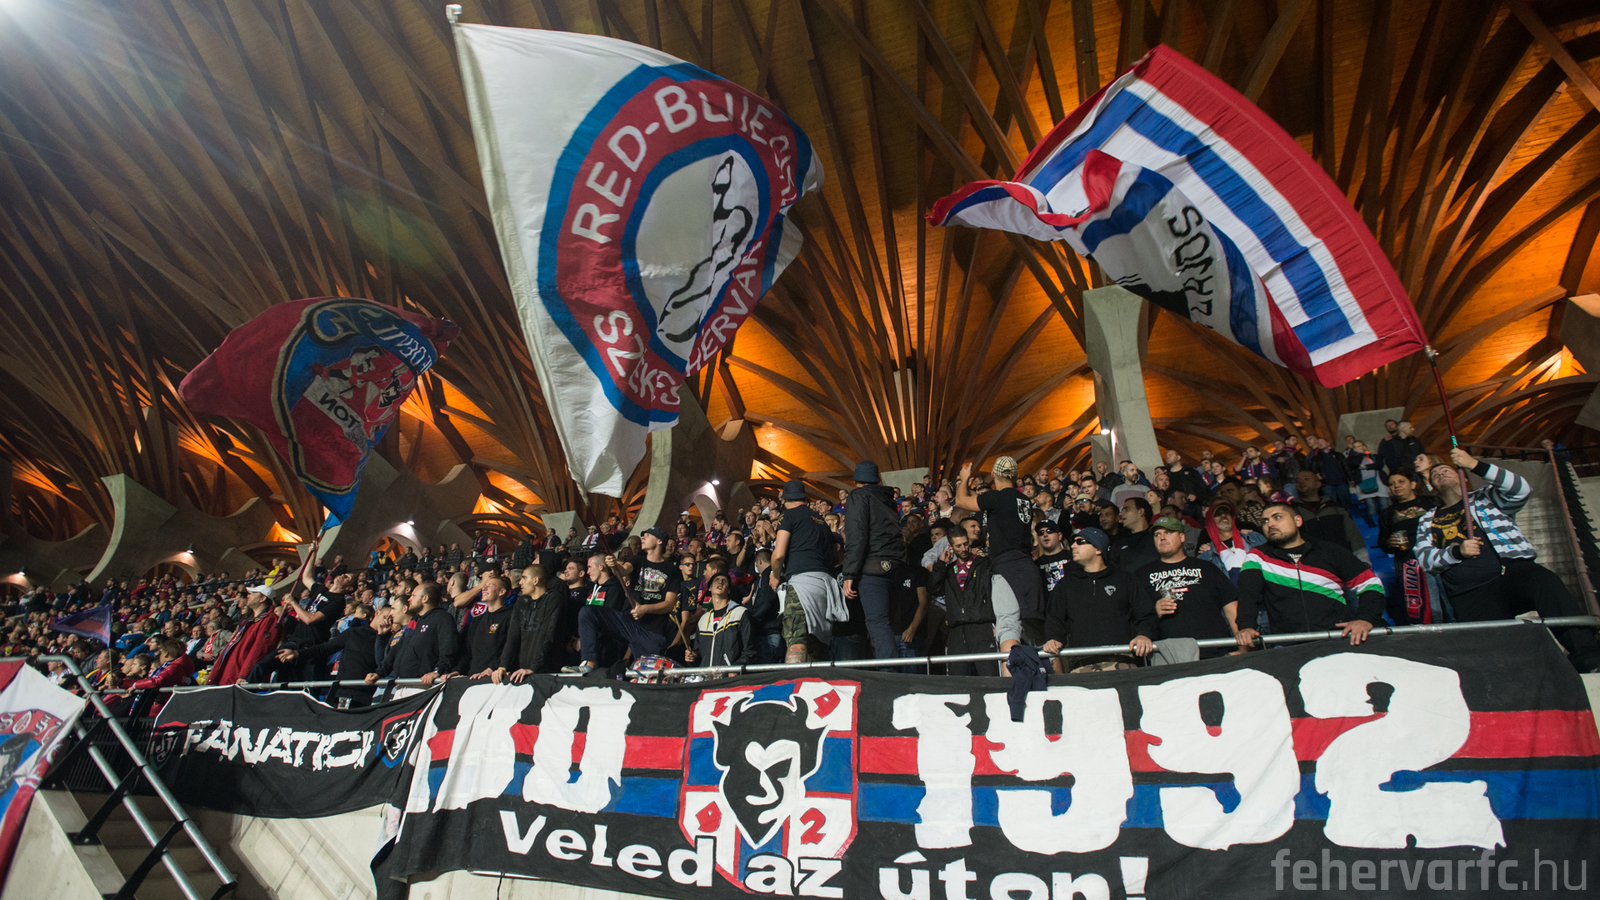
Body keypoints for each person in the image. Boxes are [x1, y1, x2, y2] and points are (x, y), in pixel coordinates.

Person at [1414, 447, 1600, 672]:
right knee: (1494, 657)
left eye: (1447, 470)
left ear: (1462, 475)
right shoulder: (1428, 519)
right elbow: (1425, 559)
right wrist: (1456, 552)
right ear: (1431, 487)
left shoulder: (1486, 497)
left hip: (1510, 572)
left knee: (1545, 582)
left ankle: (1587, 655)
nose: (1441, 473)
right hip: (1469, 592)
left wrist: (1475, 465)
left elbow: (1521, 489)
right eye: (1435, 474)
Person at [1233, 503, 1385, 649]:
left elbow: (1371, 583)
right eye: (1265, 521)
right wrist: (1246, 626)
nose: (1270, 524)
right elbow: (1248, 595)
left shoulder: (1330, 551)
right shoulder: (1257, 557)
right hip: (1287, 645)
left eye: (1277, 517)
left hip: (1336, 640)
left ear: (1297, 521)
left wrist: (1365, 618)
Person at [1041, 527, 1156, 672]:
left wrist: (1144, 634)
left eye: (1080, 542)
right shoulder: (1066, 584)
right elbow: (1054, 619)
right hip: (1082, 663)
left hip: (1122, 659)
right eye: (1073, 542)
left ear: (1098, 549)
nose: (1073, 546)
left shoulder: (1125, 580)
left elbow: (1146, 614)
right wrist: (1053, 638)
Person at [1135, 516, 1238, 657]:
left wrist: (1242, 646)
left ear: (1182, 537)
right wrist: (1154, 611)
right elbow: (1134, 616)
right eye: (1157, 534)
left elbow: (1231, 606)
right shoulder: (1142, 574)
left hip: (1214, 652)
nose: (1162, 538)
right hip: (1169, 656)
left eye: (1168, 532)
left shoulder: (1206, 568)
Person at [563, 551, 674, 676]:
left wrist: (645, 609)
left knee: (646, 676)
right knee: (586, 611)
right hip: (598, 646)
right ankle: (588, 664)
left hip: (614, 648)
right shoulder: (592, 589)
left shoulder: (616, 588)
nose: (587, 572)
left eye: (589, 567)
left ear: (601, 567)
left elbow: (669, 604)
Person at [842, 461, 908, 661]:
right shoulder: (887, 498)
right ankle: (891, 666)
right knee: (887, 623)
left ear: (856, 480)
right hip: (896, 566)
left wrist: (849, 574)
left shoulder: (858, 496)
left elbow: (857, 535)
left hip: (873, 567)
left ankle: (889, 672)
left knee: (877, 622)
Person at [927, 531, 997, 676]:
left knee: (989, 676)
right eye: (958, 546)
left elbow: (992, 592)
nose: (964, 549)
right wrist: (941, 564)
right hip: (956, 629)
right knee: (957, 678)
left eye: (965, 544)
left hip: (981, 626)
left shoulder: (982, 564)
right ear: (950, 546)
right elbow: (934, 589)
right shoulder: (947, 569)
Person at [1379, 468, 1440, 625]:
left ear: (1413, 484)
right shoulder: (1388, 513)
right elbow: (1382, 542)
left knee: (1446, 603)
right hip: (1411, 565)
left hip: (1438, 557)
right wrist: (1389, 543)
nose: (1396, 486)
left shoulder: (1430, 502)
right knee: (1431, 609)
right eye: (1392, 484)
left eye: (1401, 482)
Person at [365, 582, 459, 684]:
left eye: (413, 596)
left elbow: (448, 649)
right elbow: (397, 649)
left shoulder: (442, 618)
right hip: (403, 682)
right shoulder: (414, 620)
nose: (409, 599)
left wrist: (438, 671)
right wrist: (379, 673)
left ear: (425, 598)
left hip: (423, 683)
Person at [487, 566, 566, 682]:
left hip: (546, 672)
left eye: (524, 578)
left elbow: (547, 634)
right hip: (522, 670)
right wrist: (503, 666)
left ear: (535, 580)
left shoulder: (553, 598)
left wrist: (534, 668)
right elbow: (513, 636)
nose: (520, 582)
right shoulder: (521, 602)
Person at [209, 585, 294, 685]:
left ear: (262, 598)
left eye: (253, 594)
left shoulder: (269, 620)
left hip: (239, 677)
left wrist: (244, 675)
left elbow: (260, 649)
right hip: (230, 673)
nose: (248, 596)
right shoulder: (249, 621)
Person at [1292, 469, 1370, 564]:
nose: (1301, 482)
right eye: (1298, 481)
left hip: (1344, 562)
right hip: (1314, 566)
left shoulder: (1337, 508)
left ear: (1318, 484)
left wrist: (1363, 561)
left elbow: (1354, 536)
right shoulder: (1292, 512)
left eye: (1306, 479)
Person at [685, 572, 754, 669]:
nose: (720, 582)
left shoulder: (740, 613)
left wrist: (735, 669)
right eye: (716, 580)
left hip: (729, 676)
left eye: (724, 581)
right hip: (707, 676)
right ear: (709, 588)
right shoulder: (703, 620)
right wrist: (692, 657)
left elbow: (750, 650)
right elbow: (699, 655)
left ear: (729, 590)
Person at [453, 573, 514, 678]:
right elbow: (467, 652)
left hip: (496, 679)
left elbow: (511, 648)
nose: (484, 588)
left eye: (490, 585)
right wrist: (458, 670)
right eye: (485, 585)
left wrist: (494, 668)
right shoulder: (477, 621)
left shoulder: (511, 616)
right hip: (474, 678)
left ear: (502, 592)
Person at [1113, 497, 1159, 571]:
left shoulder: (1158, 537)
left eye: (1126, 509)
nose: (1121, 513)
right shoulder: (1120, 542)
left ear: (1141, 511)